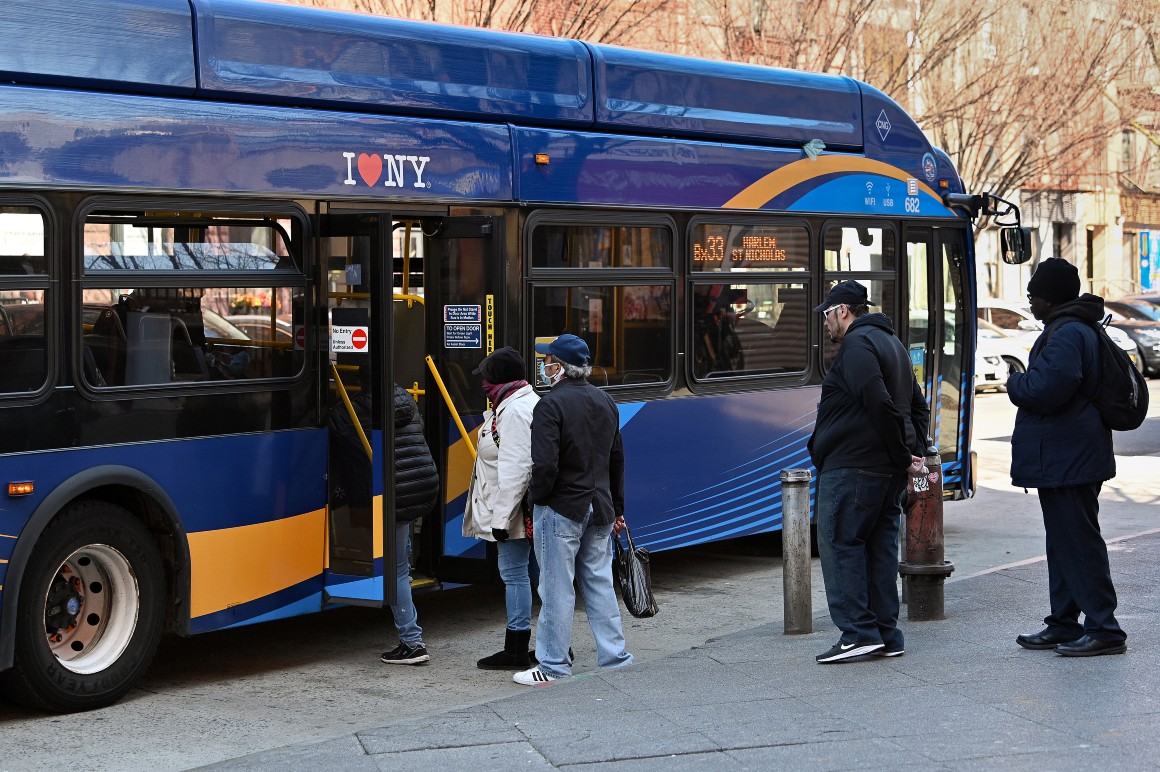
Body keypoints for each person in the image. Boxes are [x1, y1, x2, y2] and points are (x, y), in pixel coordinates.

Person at [1006, 258, 1127, 657]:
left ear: (1050, 298)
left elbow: (1045, 389)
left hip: (1069, 457)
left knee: (1078, 542)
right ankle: (1062, 623)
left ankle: (1105, 629)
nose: (1029, 299)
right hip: (1067, 456)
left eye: (1033, 294)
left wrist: (1016, 381)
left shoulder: (1067, 333)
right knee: (1062, 542)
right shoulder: (1073, 328)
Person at [807, 280, 930, 664]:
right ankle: (886, 635)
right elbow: (917, 406)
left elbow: (878, 402)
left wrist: (902, 453)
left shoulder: (858, 345)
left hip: (853, 466)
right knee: (877, 549)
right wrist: (914, 451)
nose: (825, 322)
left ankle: (858, 634)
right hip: (882, 469)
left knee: (841, 544)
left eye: (827, 314)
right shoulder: (892, 343)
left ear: (843, 310)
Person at [514, 334, 633, 685]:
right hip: (601, 508)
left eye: (547, 360)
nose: (543, 365)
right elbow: (617, 460)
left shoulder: (550, 406)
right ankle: (615, 657)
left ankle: (552, 665)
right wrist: (618, 508)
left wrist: (538, 498)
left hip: (562, 507)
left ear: (558, 367)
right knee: (599, 582)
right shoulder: (606, 400)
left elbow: (545, 464)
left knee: (555, 588)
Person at [463, 347, 540, 670]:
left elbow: (516, 469)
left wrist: (501, 519)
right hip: (521, 508)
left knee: (515, 575)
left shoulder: (515, 413)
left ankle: (516, 648)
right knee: (535, 575)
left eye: (485, 376)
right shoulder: (512, 405)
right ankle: (552, 643)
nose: (482, 382)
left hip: (516, 511)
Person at [359, 383, 440, 665]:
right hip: (419, 485)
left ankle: (412, 642)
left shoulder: (359, 406)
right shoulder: (407, 400)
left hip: (397, 491)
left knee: (395, 572)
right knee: (400, 562)